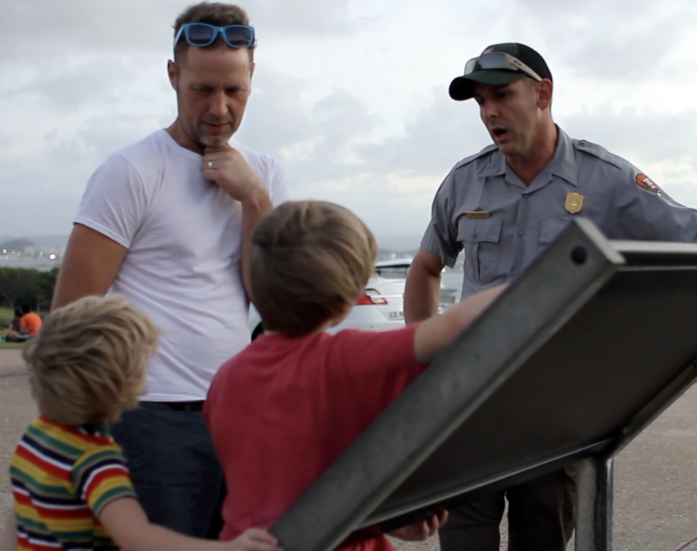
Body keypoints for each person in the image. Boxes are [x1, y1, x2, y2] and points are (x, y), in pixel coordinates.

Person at [403, 43, 697, 551]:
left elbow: (688, 230)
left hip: (554, 412)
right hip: (468, 406)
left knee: (542, 540)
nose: (489, 112)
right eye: (479, 102)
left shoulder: (603, 177)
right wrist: (421, 361)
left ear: (543, 94)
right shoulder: (464, 182)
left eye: (501, 95)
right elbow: (427, 267)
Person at [50, 2, 288, 538]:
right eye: (202, 89)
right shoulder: (131, 170)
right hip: (147, 416)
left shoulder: (265, 174)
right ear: (173, 75)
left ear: (253, 78)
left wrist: (253, 197)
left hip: (237, 412)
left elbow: (269, 302)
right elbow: (70, 316)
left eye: (234, 90)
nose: (219, 108)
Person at [204, 200, 506, 550]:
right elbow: (457, 323)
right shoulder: (342, 360)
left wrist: (384, 519)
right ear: (347, 294)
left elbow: (288, 485)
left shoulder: (227, 378)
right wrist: (553, 277)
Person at [0, 295, 280, 551]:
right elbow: (137, 538)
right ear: (122, 382)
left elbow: (19, 519)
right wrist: (229, 548)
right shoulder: (96, 461)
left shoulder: (39, 434)